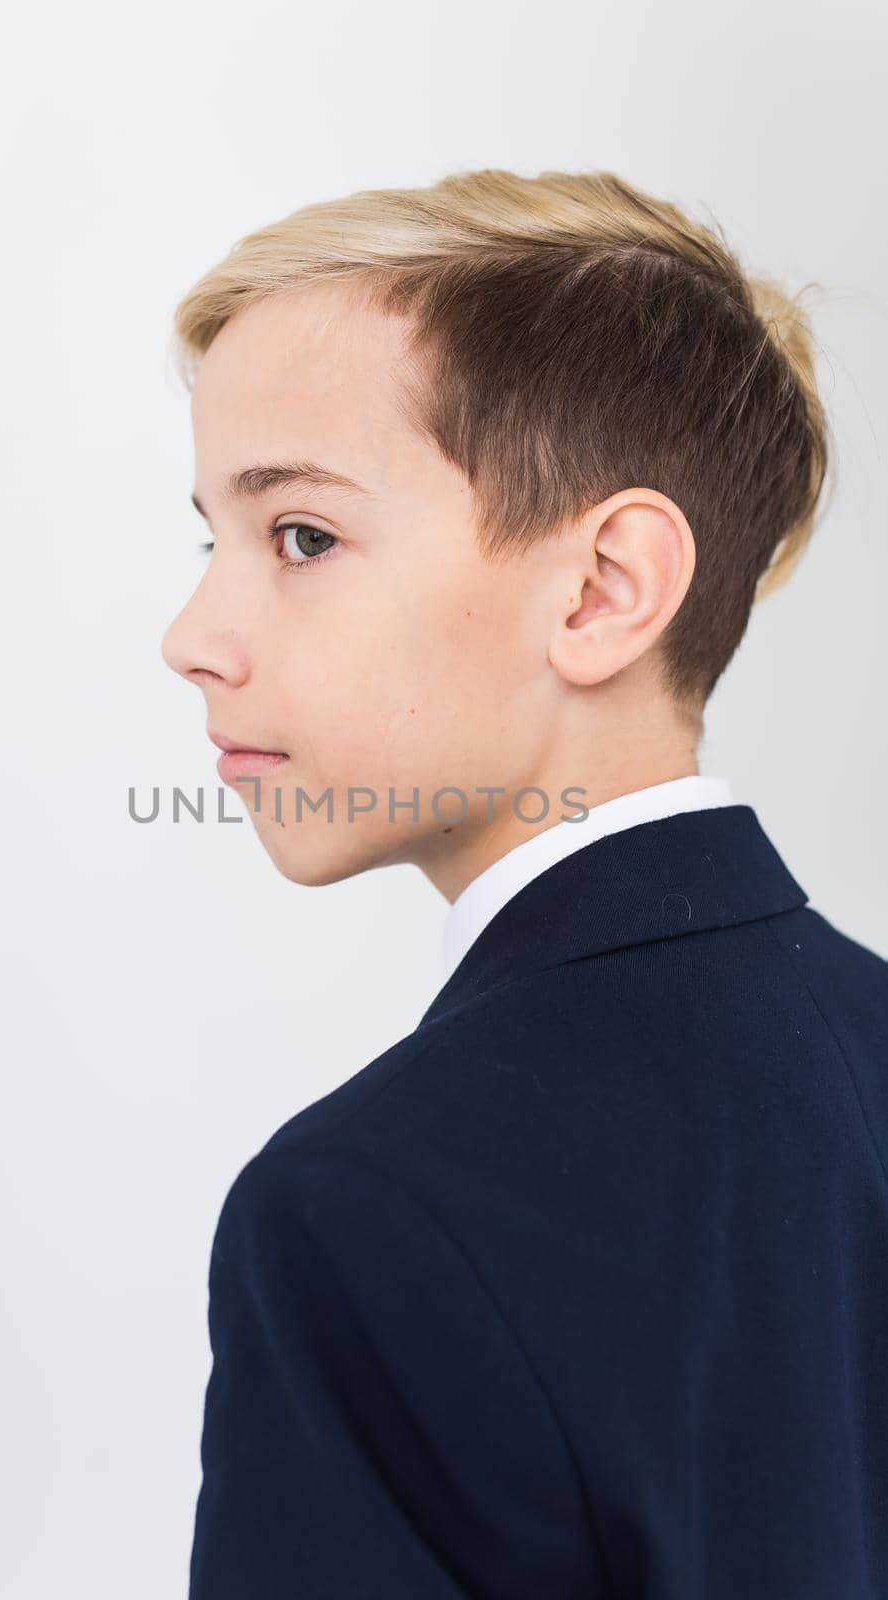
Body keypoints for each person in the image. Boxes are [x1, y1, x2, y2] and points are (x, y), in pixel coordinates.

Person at [160, 167, 888, 1596]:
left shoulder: (368, 1207)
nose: (193, 634)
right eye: (211, 536)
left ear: (606, 588)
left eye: (300, 534)